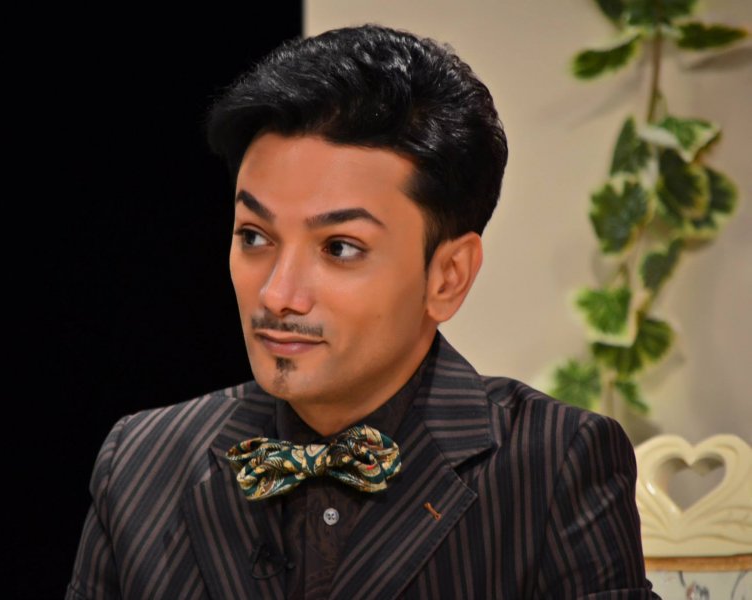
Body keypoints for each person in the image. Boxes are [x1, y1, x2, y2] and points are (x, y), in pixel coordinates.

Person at [66, 24, 656, 599]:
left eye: (339, 248)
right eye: (254, 236)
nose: (277, 294)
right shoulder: (139, 461)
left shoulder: (555, 465)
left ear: (448, 276)